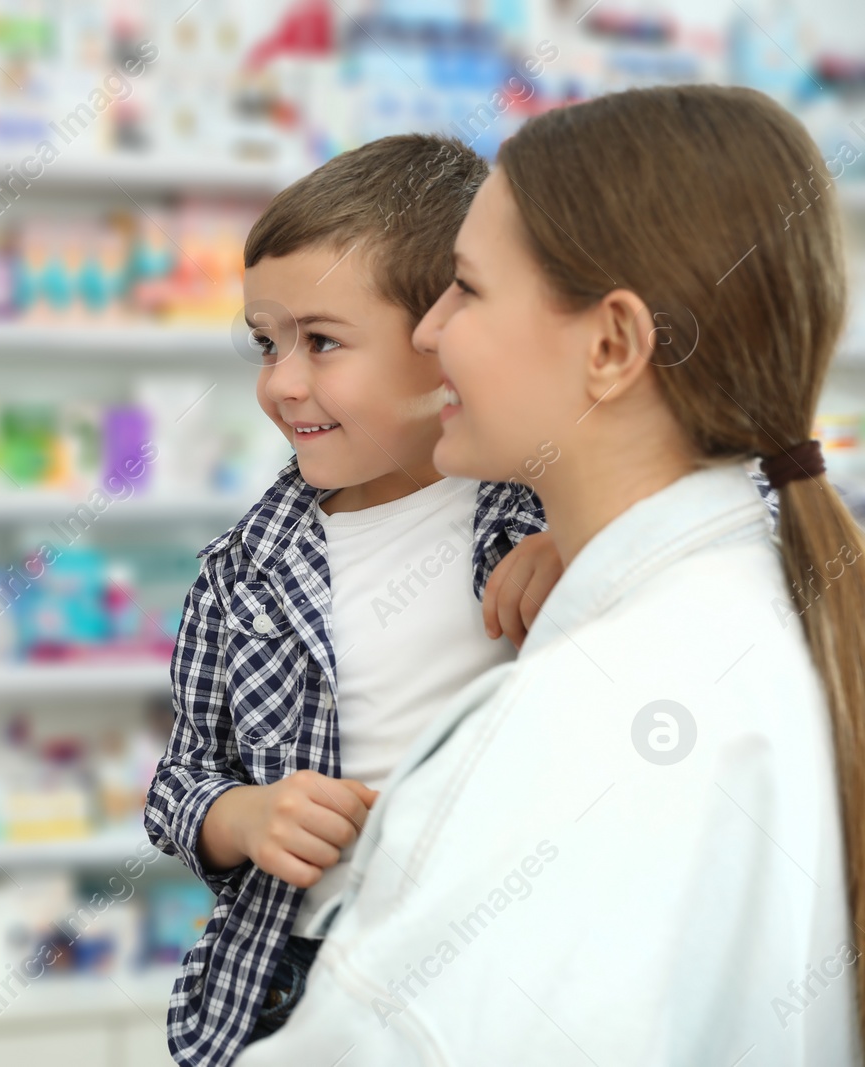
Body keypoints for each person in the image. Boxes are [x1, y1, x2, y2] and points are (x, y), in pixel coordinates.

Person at [236, 85, 864, 1065]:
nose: (430, 329)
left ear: (611, 345)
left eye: (467, 288)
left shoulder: (589, 717)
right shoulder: (766, 601)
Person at [142, 133, 566, 1067]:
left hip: (501, 964)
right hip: (301, 972)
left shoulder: (538, 512)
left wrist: (574, 543)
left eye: (323, 342)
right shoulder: (240, 570)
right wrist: (245, 818)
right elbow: (178, 782)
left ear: (443, 338)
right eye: (266, 343)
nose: (282, 383)